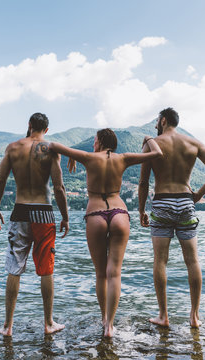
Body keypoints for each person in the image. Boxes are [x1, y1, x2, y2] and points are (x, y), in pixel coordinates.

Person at [49, 128, 163, 337]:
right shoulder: (124, 158)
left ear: (100, 141)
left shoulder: (89, 158)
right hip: (120, 213)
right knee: (115, 273)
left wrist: (71, 154)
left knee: (101, 273)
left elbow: (53, 146)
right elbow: (157, 154)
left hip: (96, 214)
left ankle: (103, 320)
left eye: (94, 140)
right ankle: (111, 325)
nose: (93, 145)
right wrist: (149, 139)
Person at [138, 108, 205, 328]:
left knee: (160, 261)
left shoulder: (153, 143)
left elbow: (143, 182)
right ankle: (195, 317)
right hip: (186, 202)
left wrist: (141, 210)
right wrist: (199, 194)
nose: (156, 124)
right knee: (193, 261)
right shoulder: (193, 143)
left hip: (163, 201)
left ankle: (163, 316)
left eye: (157, 120)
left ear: (163, 120)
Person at [0, 112, 69, 336]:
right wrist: (64, 216)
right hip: (44, 212)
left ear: (29, 125)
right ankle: (48, 323)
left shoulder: (13, 148)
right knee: (46, 270)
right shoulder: (50, 149)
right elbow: (58, 187)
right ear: (47, 129)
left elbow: (0, 181)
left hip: (20, 210)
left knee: (14, 269)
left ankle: (7, 326)